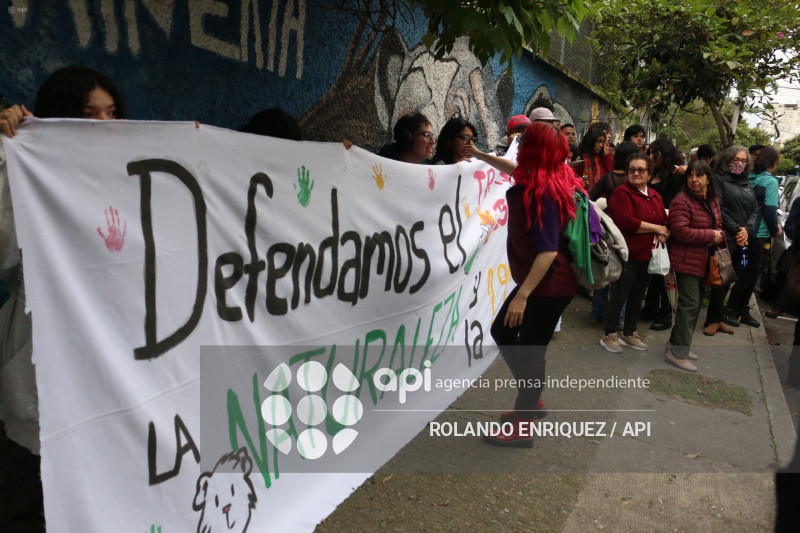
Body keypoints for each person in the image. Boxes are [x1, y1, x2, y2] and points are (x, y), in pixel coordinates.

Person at [485, 122, 579, 448]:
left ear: (534, 151)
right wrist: (482, 156)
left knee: (531, 351)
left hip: (548, 285)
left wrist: (522, 296)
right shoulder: (548, 176)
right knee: (503, 332)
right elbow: (516, 169)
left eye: (524, 141)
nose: (518, 144)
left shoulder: (543, 194)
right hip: (544, 282)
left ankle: (523, 426)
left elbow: (548, 251)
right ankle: (532, 399)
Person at [600, 153, 668, 353]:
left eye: (641, 170)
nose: (636, 173)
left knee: (638, 296)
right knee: (619, 295)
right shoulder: (622, 193)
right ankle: (609, 335)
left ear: (649, 173)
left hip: (648, 255)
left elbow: (663, 219)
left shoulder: (654, 195)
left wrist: (663, 231)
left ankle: (630, 333)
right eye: (632, 169)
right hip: (626, 255)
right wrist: (657, 229)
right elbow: (627, 222)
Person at [665, 161, 724, 372]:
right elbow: (680, 231)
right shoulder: (681, 201)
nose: (694, 180)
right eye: (690, 175)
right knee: (689, 304)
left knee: (695, 304)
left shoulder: (712, 200)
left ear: (708, 179)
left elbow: (718, 225)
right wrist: (710, 235)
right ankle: (677, 354)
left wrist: (718, 235)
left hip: (704, 259)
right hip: (685, 260)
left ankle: (675, 343)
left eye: (699, 176)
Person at [704, 145, 757, 334]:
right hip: (725, 238)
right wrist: (737, 230)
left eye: (744, 161)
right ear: (727, 160)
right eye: (736, 160)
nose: (740, 164)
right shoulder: (718, 180)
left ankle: (718, 318)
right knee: (720, 279)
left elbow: (753, 210)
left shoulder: (747, 183)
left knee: (731, 280)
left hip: (743, 238)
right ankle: (712, 319)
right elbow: (720, 208)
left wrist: (746, 230)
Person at [640, 138, 681, 331]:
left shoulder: (675, 175)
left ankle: (665, 315)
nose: (650, 156)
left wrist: (667, 229)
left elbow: (676, 204)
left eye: (653, 152)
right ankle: (649, 308)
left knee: (664, 273)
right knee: (652, 272)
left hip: (666, 229)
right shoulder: (652, 172)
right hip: (650, 227)